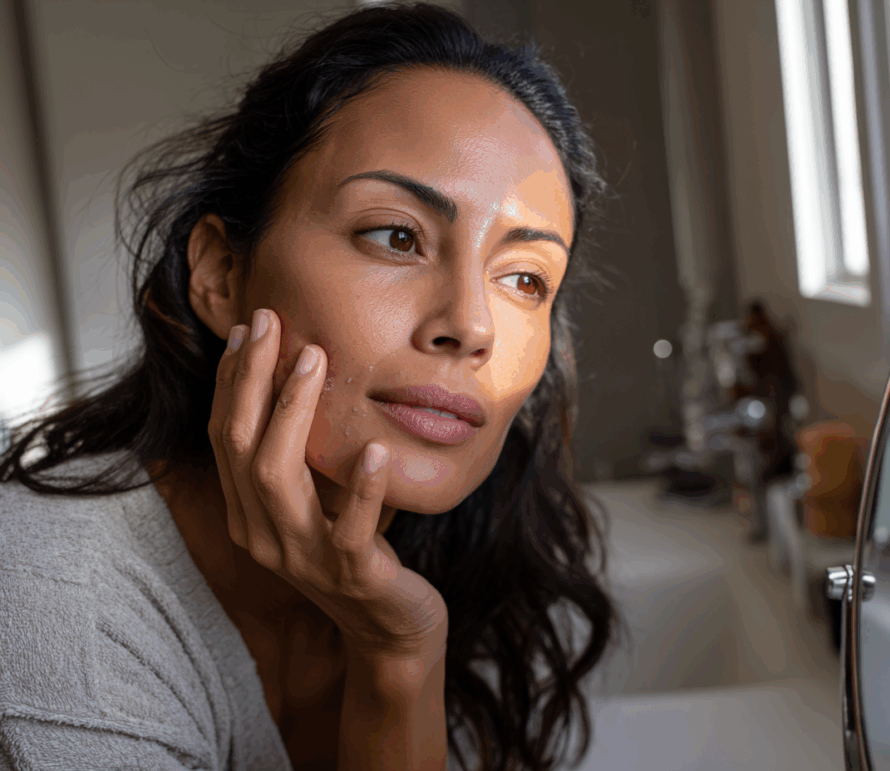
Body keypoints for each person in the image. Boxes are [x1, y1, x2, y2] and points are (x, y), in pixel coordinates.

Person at [0, 4, 624, 770]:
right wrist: (399, 660)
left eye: (525, 278)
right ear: (223, 274)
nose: (472, 324)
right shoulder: (58, 606)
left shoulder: (480, 565)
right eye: (396, 236)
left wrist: (397, 649)